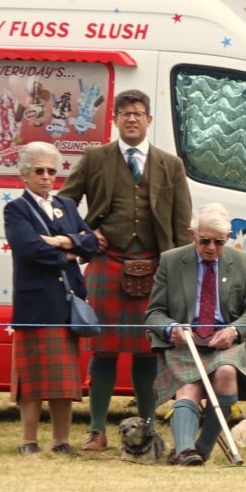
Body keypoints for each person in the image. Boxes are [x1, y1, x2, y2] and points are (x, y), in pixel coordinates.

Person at [59, 89, 192, 452]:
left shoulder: (170, 164)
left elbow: (181, 225)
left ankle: (146, 429)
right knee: (103, 350)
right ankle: (97, 430)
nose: (131, 118)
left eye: (138, 113)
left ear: (149, 119)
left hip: (155, 266)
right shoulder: (94, 157)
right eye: (124, 113)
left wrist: (181, 272)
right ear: (115, 119)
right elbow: (64, 202)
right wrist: (85, 235)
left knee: (148, 350)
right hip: (107, 261)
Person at [145, 203, 246, 465]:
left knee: (226, 373)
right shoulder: (171, 261)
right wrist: (171, 329)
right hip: (185, 341)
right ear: (192, 234)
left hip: (224, 341)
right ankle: (185, 451)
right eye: (205, 241)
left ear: (229, 238)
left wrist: (234, 330)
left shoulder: (243, 263)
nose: (212, 248)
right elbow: (154, 312)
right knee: (188, 387)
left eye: (219, 242)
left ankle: (202, 447)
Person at [3, 142, 98, 455]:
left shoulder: (67, 206)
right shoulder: (16, 209)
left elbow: (92, 243)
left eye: (51, 171)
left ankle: (61, 442)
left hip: (67, 304)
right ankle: (28, 441)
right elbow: (28, 247)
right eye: (39, 171)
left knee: (64, 381)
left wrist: (62, 241)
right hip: (34, 304)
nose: (46, 177)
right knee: (30, 382)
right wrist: (69, 254)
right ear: (25, 174)